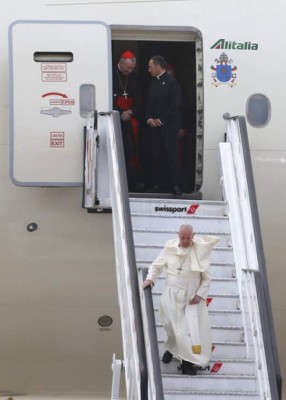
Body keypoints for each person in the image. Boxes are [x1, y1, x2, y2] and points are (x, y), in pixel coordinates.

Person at [142, 224, 219, 375]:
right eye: (182, 238)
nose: (185, 241)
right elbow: (156, 266)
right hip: (171, 295)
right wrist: (150, 279)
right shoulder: (170, 247)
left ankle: (187, 364)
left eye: (188, 238)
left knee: (184, 332)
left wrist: (199, 294)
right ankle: (171, 348)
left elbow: (206, 279)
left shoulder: (199, 250)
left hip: (190, 299)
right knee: (170, 326)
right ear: (178, 235)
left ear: (193, 236)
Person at [145, 55, 183, 195]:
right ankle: (160, 183)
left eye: (150, 66)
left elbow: (174, 105)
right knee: (157, 155)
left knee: (171, 155)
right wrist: (149, 119)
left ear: (157, 66)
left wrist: (161, 120)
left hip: (168, 126)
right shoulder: (153, 83)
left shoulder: (172, 83)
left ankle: (176, 184)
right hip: (154, 126)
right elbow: (148, 103)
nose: (149, 70)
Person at [113, 50, 144, 192]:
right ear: (120, 63)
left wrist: (131, 111)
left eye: (132, 68)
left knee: (132, 150)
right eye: (127, 68)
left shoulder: (134, 77)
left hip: (130, 119)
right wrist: (119, 113)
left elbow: (139, 98)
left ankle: (133, 182)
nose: (130, 71)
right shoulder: (111, 75)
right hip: (116, 119)